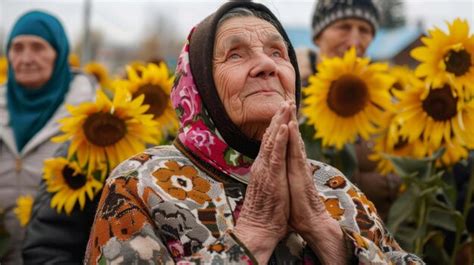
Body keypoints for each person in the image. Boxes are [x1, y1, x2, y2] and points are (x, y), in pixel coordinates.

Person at [85, 2, 423, 264]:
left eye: (278, 52)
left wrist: (326, 235)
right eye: (235, 54)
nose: (268, 65)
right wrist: (253, 236)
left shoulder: (333, 186)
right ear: (199, 83)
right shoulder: (140, 184)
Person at [0, 11, 96, 264]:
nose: (26, 58)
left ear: (59, 52)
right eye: (17, 48)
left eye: (38, 47)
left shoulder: (95, 120)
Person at [297, 0, 402, 221]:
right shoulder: (294, 95)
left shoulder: (384, 98)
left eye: (364, 30)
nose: (354, 40)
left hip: (377, 240)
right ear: (318, 35)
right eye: (343, 26)